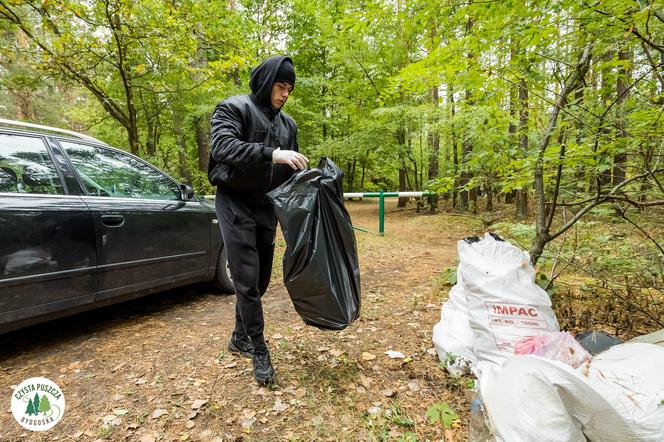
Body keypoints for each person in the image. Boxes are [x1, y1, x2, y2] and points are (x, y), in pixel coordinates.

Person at [208, 55, 309, 385]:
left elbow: (289, 172)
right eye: (281, 86)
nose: (284, 95)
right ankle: (259, 349)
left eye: (290, 89)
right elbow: (223, 146)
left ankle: (239, 335)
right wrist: (271, 153)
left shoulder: (287, 125)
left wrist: (307, 180)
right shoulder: (233, 108)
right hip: (234, 201)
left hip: (265, 206)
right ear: (267, 82)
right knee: (247, 279)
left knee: (261, 279)